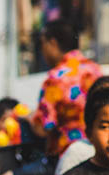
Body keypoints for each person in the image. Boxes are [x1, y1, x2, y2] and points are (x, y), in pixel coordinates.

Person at [31, 21, 101, 159]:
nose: (43, 50)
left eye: (43, 44)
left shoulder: (55, 79)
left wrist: (28, 119)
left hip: (67, 155)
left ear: (53, 43)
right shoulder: (95, 70)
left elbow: (44, 128)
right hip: (99, 152)